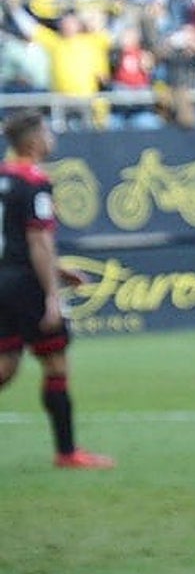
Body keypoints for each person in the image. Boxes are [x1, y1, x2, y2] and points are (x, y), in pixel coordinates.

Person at [0, 109, 114, 469]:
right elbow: (37, 241)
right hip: (26, 285)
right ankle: (67, 453)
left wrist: (60, 269)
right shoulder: (35, 182)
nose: (51, 138)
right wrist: (52, 294)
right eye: (47, 132)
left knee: (5, 366)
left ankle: (67, 452)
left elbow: (13, 238)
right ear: (33, 141)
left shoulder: (4, 177)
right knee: (54, 362)